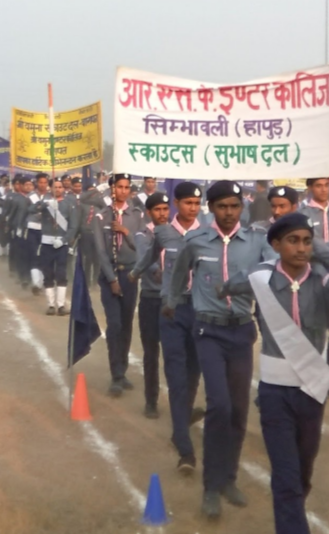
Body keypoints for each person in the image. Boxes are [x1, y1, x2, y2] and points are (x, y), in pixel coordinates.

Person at [220, 212, 329, 534]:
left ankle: (291, 514)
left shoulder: (323, 281)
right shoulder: (262, 278)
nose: (302, 248)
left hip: (311, 390)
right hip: (275, 392)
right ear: (276, 245)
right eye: (293, 241)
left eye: (307, 241)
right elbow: (228, 285)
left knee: (303, 471)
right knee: (286, 476)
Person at [167, 180, 268, 519]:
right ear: (211, 208)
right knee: (219, 406)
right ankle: (210, 486)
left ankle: (228, 479)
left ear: (242, 207)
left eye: (234, 206)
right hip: (207, 331)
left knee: (238, 410)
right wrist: (171, 302)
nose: (228, 213)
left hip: (241, 331)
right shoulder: (196, 241)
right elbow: (179, 274)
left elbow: (274, 270)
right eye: (222, 206)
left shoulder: (256, 242)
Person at [134, 182, 206, 474]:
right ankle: (184, 447)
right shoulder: (163, 232)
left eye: (197, 203)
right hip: (171, 309)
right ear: (177, 204)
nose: (193, 208)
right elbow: (150, 256)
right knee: (175, 372)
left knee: (193, 370)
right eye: (188, 203)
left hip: (199, 310)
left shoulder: (207, 233)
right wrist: (136, 272)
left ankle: (181, 421)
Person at [94, 173, 144, 397]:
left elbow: (141, 246)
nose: (123, 191)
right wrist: (112, 279)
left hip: (130, 276)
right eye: (119, 187)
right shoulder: (102, 216)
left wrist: (125, 232)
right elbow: (101, 252)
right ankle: (116, 374)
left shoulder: (137, 215)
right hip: (110, 277)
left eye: (126, 187)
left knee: (126, 325)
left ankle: (122, 370)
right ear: (112, 189)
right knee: (114, 325)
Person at [129, 191, 170, 419]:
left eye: (165, 209)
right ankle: (151, 400)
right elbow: (147, 262)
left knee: (175, 354)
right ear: (149, 212)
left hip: (172, 301)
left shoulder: (176, 234)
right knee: (151, 353)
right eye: (157, 210)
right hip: (151, 300)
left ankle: (179, 401)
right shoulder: (142, 235)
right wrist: (165, 272)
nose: (162, 214)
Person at [31, 177, 79, 315]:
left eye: (60, 187)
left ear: (63, 189)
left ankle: (61, 305)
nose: (57, 189)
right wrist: (45, 204)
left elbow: (73, 226)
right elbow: (31, 209)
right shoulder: (45, 202)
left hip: (61, 244)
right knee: (48, 273)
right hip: (47, 243)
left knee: (61, 274)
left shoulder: (69, 205)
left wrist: (64, 240)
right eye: (55, 187)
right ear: (50, 188)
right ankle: (51, 305)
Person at [25, 173, 50, 296]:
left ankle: (43, 281)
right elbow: (28, 210)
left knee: (45, 256)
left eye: (45, 182)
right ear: (36, 183)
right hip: (33, 228)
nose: (43, 185)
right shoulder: (31, 196)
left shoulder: (51, 196)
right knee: (34, 255)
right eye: (40, 182)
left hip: (47, 230)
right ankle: (36, 283)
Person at [78, 181, 106, 286]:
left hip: (98, 233)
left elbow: (105, 206)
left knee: (97, 259)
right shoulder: (83, 203)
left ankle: (95, 281)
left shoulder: (100, 203)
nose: (93, 194)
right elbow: (82, 198)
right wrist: (95, 190)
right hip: (86, 233)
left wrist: (98, 194)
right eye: (90, 192)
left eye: (94, 192)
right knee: (88, 258)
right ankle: (87, 281)